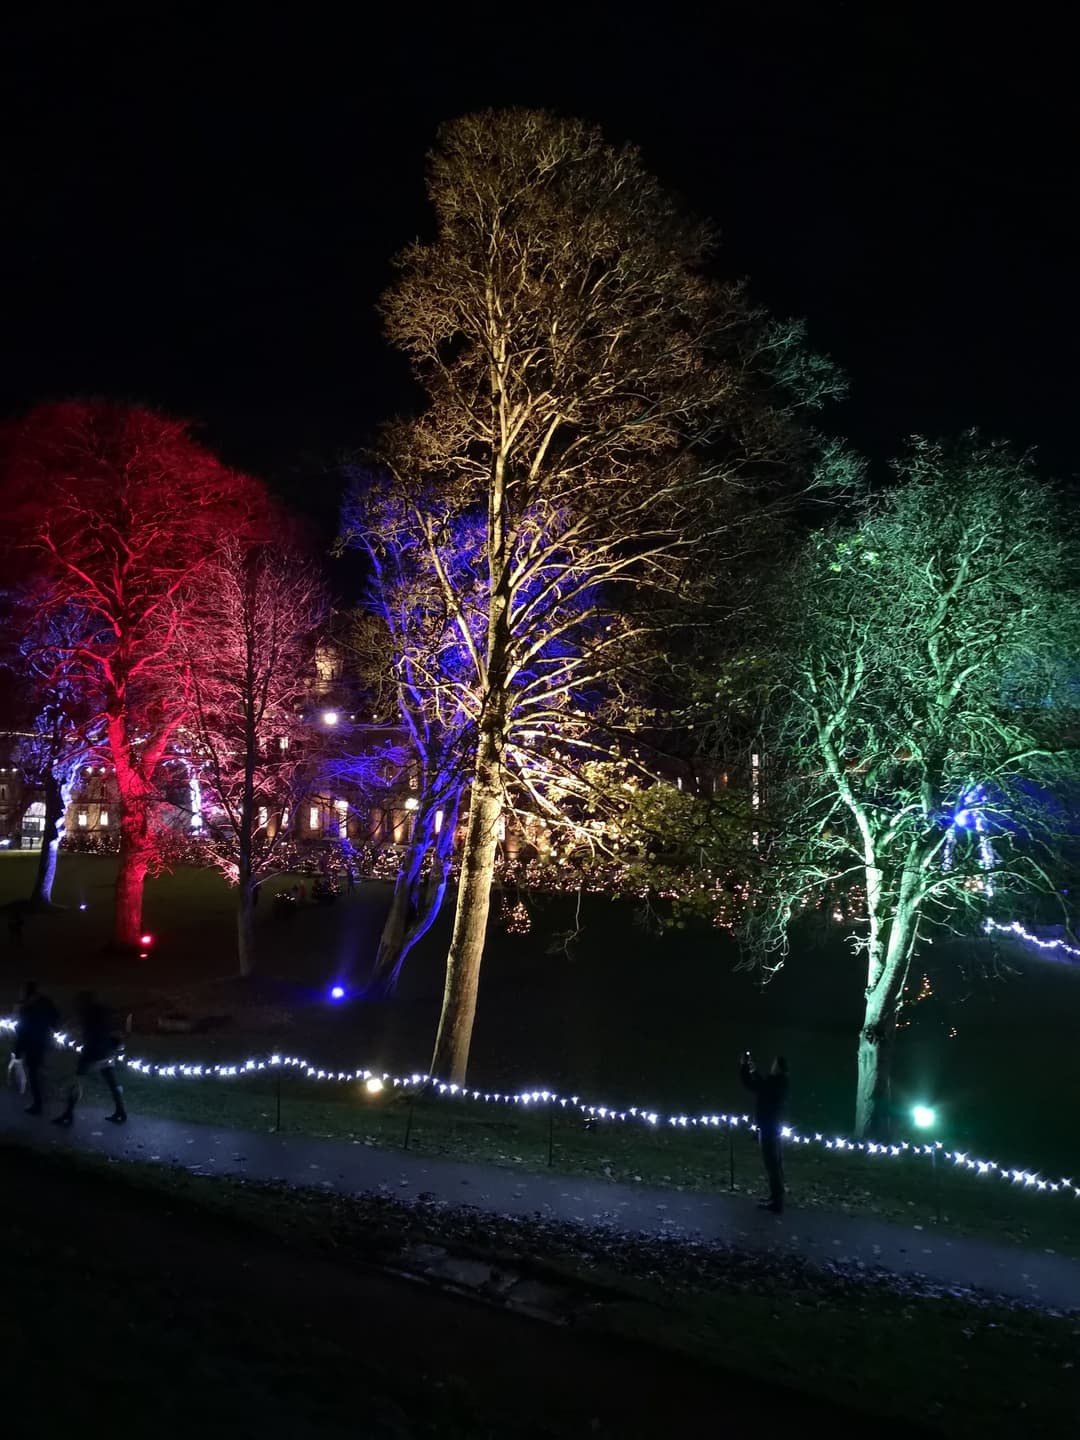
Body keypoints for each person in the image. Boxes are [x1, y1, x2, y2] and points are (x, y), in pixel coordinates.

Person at [53, 991, 126, 1126]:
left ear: (83, 1003)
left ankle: (68, 1114)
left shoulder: (88, 1014)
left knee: (77, 1081)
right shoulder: (103, 1011)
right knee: (111, 1081)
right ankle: (121, 1111)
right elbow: (114, 1028)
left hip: (93, 1053)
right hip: (108, 1051)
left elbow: (88, 1034)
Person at [740, 1050, 790, 1214]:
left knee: (773, 1166)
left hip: (769, 1130)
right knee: (775, 1165)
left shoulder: (777, 1083)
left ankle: (777, 1202)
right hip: (771, 1128)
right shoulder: (779, 1083)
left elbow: (758, 1086)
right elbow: (761, 1086)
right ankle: (775, 1197)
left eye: (774, 1064)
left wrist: (745, 1067)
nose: (772, 1066)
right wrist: (752, 1070)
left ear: (779, 1068)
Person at [13, 981, 60, 1115]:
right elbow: (55, 1017)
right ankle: (42, 1097)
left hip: (32, 1044)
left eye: (22, 992)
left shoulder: (25, 1007)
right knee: (38, 1068)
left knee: (33, 1072)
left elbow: (22, 1030)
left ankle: (38, 1104)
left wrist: (18, 1051)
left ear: (26, 993)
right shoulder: (45, 1002)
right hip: (44, 1040)